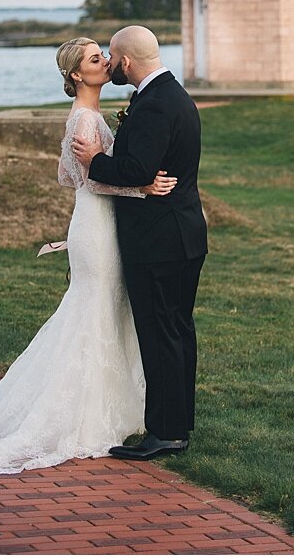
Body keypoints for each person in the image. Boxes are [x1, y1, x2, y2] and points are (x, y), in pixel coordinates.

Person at [0, 38, 173, 475]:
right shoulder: (83, 120)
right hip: (97, 224)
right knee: (94, 310)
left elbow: (68, 175)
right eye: (95, 59)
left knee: (105, 310)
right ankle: (78, 414)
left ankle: (116, 407)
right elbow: (88, 181)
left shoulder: (85, 117)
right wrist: (140, 187)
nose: (106, 63)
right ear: (77, 75)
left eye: (105, 56)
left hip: (97, 221)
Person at [72, 25, 207, 461]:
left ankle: (166, 432)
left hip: (158, 241)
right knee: (178, 331)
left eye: (111, 57)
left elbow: (135, 168)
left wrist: (95, 162)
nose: (110, 65)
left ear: (126, 62)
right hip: (183, 234)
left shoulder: (153, 105)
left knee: (161, 333)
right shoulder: (172, 95)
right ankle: (178, 426)